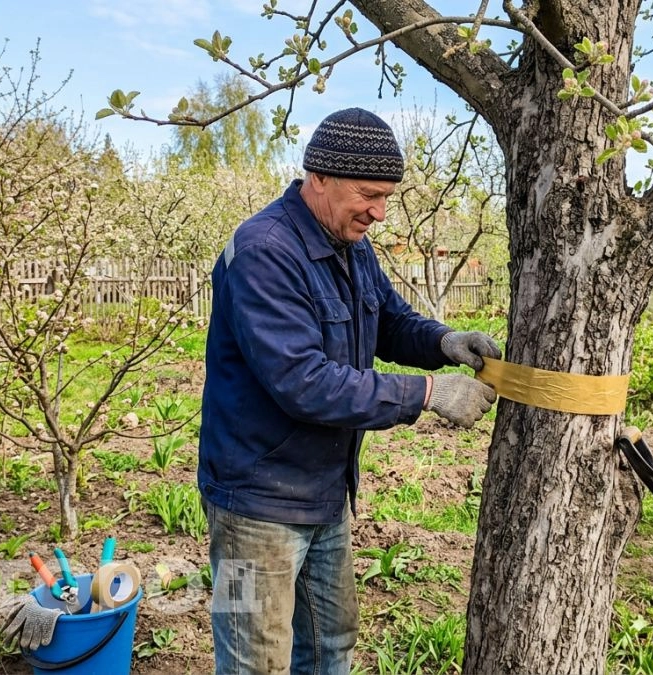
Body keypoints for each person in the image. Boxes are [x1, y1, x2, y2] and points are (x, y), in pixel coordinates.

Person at [198, 107, 500, 675]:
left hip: (323, 494)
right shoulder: (265, 252)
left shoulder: (350, 244)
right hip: (252, 509)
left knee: (330, 649)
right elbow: (304, 383)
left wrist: (442, 342)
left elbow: (389, 321)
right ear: (319, 178)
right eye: (368, 194)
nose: (380, 213)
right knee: (252, 662)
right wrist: (430, 393)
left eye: (387, 197)